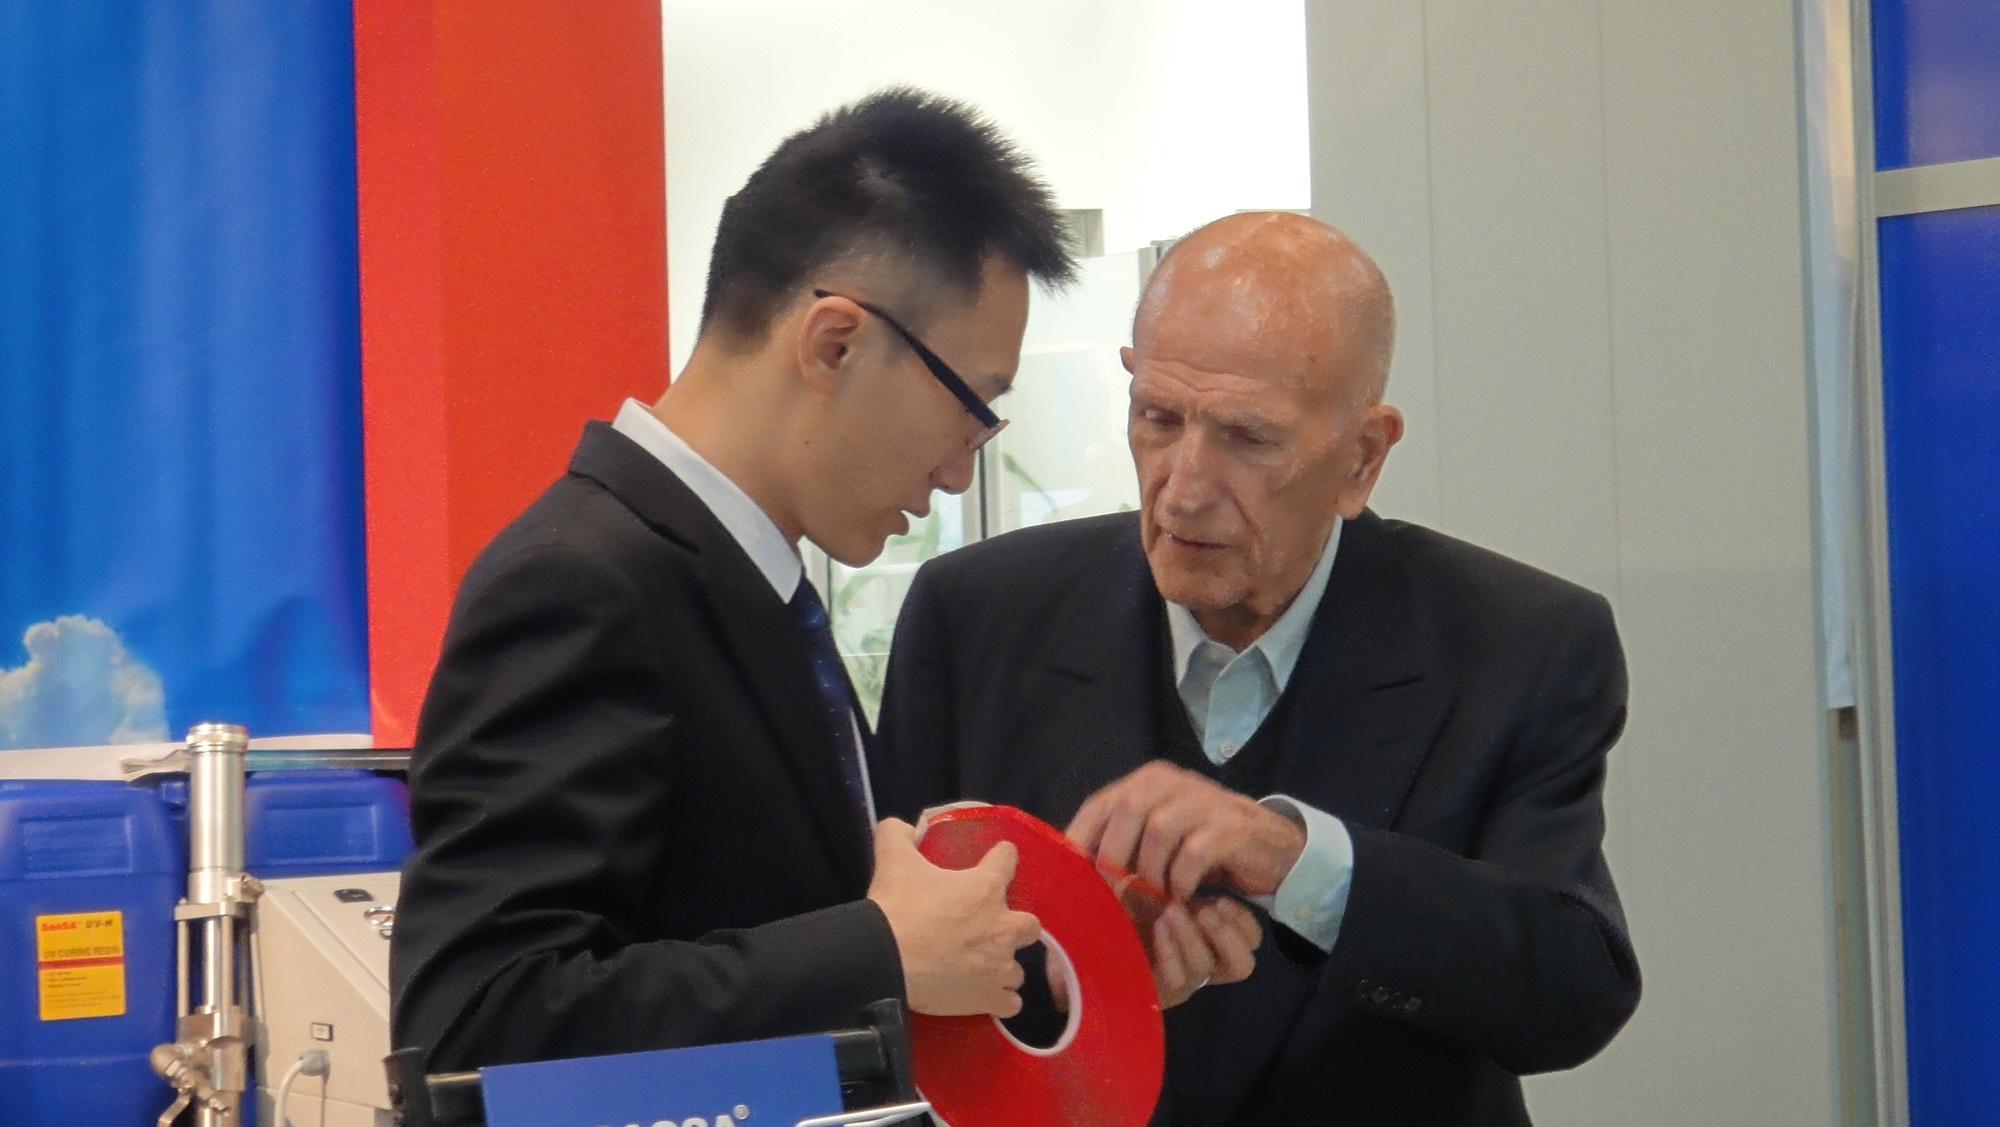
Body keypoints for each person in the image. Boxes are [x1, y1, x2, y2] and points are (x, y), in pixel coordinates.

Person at [878, 211, 1642, 1124]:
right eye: (1158, 418)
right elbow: (886, 994)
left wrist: (1300, 862)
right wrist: (1071, 974)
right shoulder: (976, 616)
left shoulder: (1515, 641)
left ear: (1363, 456)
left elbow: (1571, 989)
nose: (1184, 489)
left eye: (1248, 438)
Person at [389, 88, 1080, 1071]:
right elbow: (475, 1024)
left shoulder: (756, 582)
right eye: (971, 405)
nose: (959, 471)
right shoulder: (579, 582)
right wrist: (878, 952)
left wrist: (1046, 959)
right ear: (834, 342)